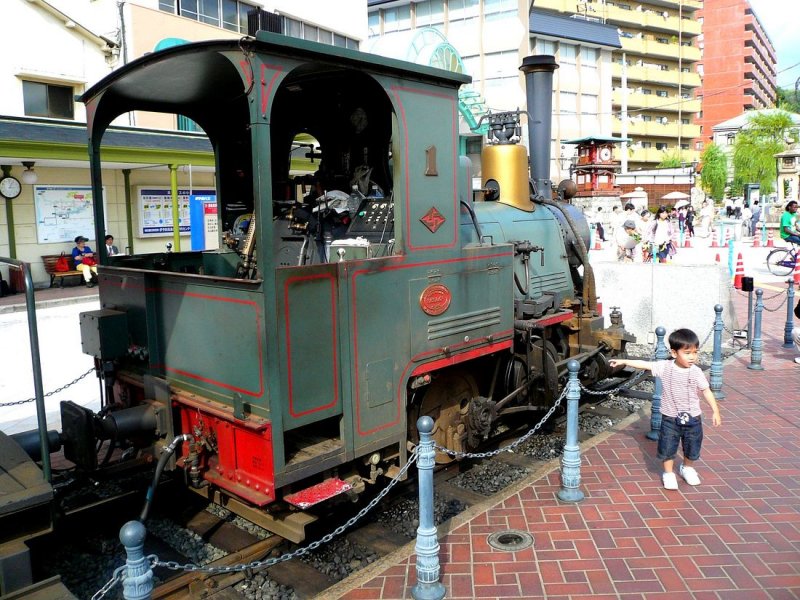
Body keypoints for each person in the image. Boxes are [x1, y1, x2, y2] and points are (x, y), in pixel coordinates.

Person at [609, 328, 722, 490]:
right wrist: (624, 362)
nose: (692, 357)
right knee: (668, 446)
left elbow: (706, 391)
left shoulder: (696, 372)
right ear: (674, 353)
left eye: (695, 352)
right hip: (670, 418)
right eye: (687, 353)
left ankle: (687, 468)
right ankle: (668, 473)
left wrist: (715, 411)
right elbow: (645, 364)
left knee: (693, 445)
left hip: (693, 418)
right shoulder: (665, 367)